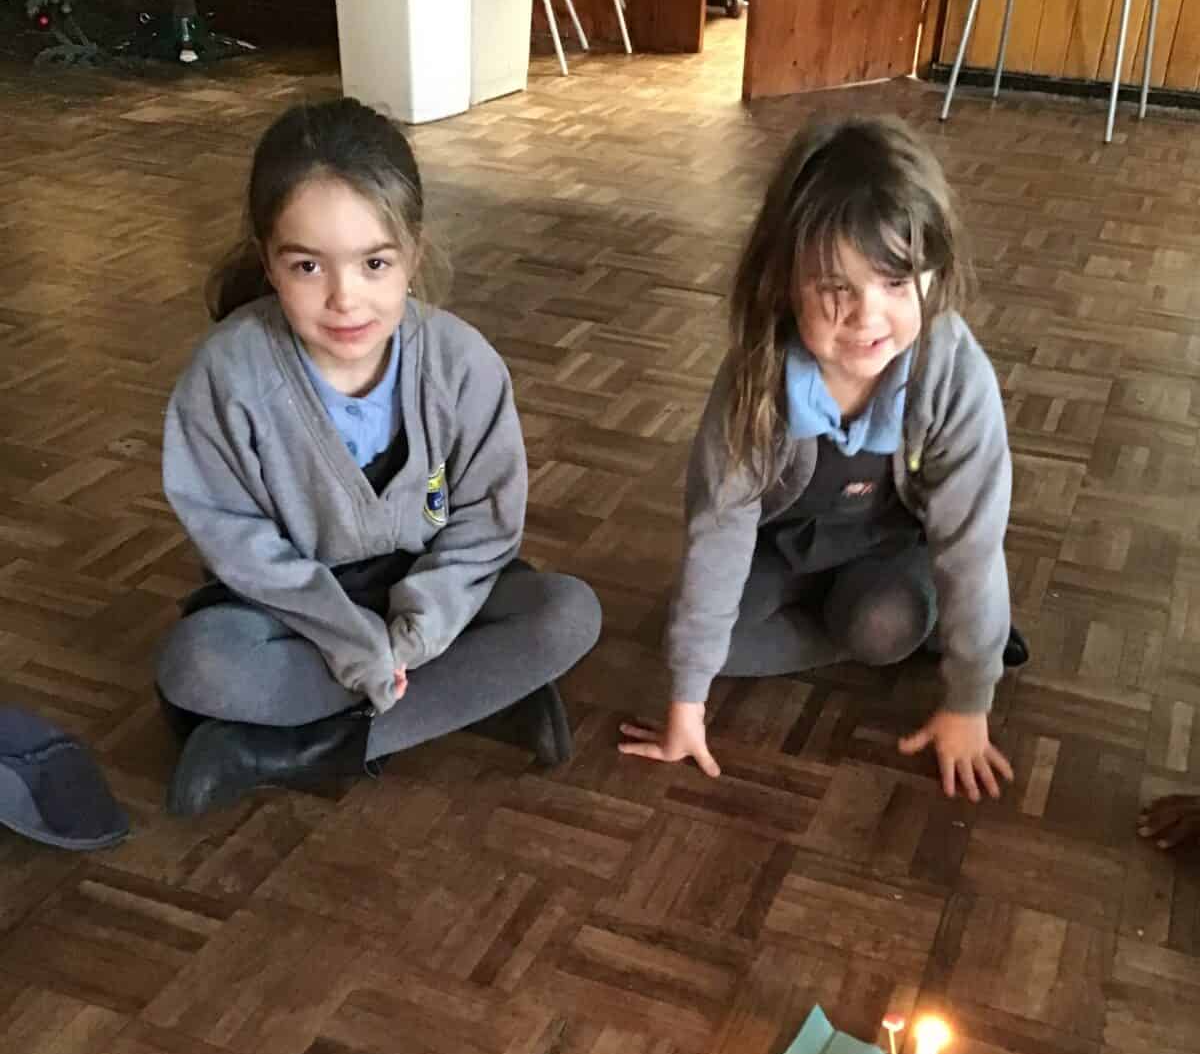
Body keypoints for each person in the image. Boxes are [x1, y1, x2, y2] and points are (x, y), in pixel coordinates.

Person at [157, 98, 601, 816]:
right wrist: (351, 640)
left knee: (567, 614)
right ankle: (472, 699)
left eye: (373, 263)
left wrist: (415, 636)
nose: (344, 299)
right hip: (293, 612)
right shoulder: (227, 376)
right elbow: (235, 540)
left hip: (432, 596)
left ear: (412, 256)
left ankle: (285, 750)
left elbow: (485, 525)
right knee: (197, 667)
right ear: (268, 261)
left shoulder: (461, 363)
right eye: (308, 265)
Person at [620, 115, 1026, 803]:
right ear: (785, 284)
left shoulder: (954, 374)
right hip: (786, 553)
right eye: (837, 288)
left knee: (883, 626)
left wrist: (969, 701)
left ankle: (926, 626)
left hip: (887, 555)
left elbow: (973, 545)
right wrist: (688, 702)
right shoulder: (756, 374)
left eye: (895, 283)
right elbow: (719, 526)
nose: (867, 317)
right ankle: (856, 618)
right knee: (695, 644)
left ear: (933, 274)